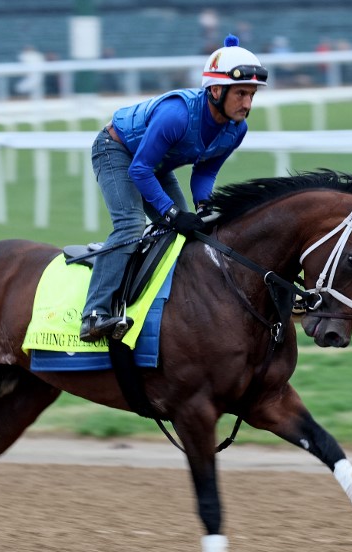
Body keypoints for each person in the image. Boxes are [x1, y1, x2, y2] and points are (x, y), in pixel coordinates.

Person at [79, 34, 267, 342]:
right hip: (117, 151)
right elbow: (138, 169)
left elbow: (205, 171)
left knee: (183, 233)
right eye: (241, 94)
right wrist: (171, 211)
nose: (247, 103)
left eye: (252, 95)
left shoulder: (237, 129)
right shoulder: (177, 115)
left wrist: (204, 207)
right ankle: (94, 314)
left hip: (155, 166)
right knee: (130, 225)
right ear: (216, 90)